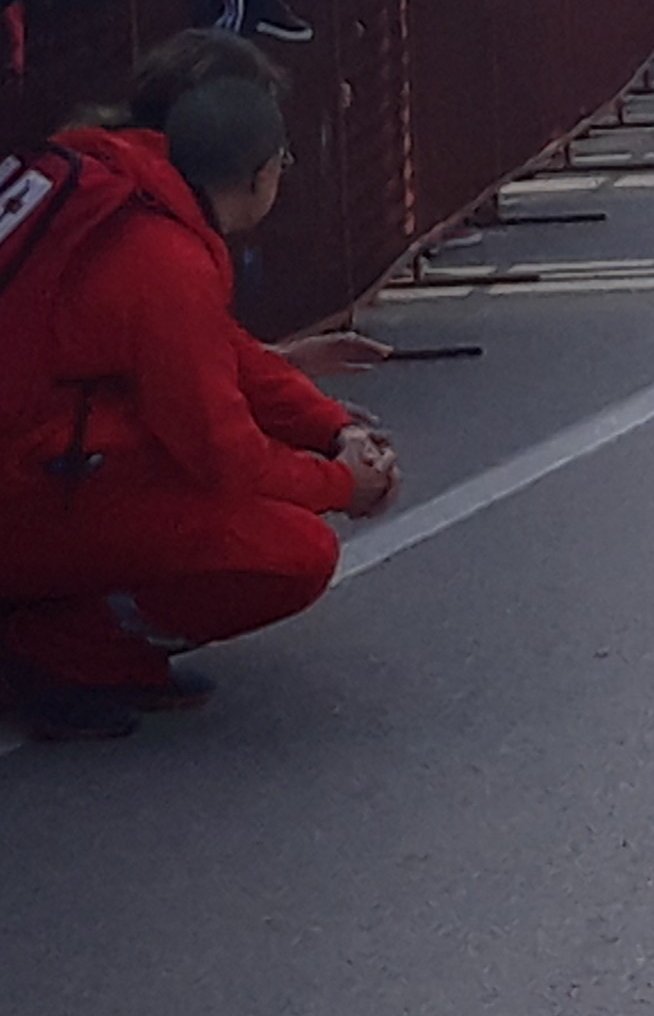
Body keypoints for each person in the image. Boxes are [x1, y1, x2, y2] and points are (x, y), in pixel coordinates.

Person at [0, 36, 396, 741]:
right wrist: (341, 483)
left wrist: (330, 428)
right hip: (23, 487)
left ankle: (52, 618)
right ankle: (55, 637)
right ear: (255, 170)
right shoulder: (158, 251)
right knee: (290, 551)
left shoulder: (94, 176)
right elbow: (224, 451)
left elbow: (220, 351)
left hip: (26, 461)